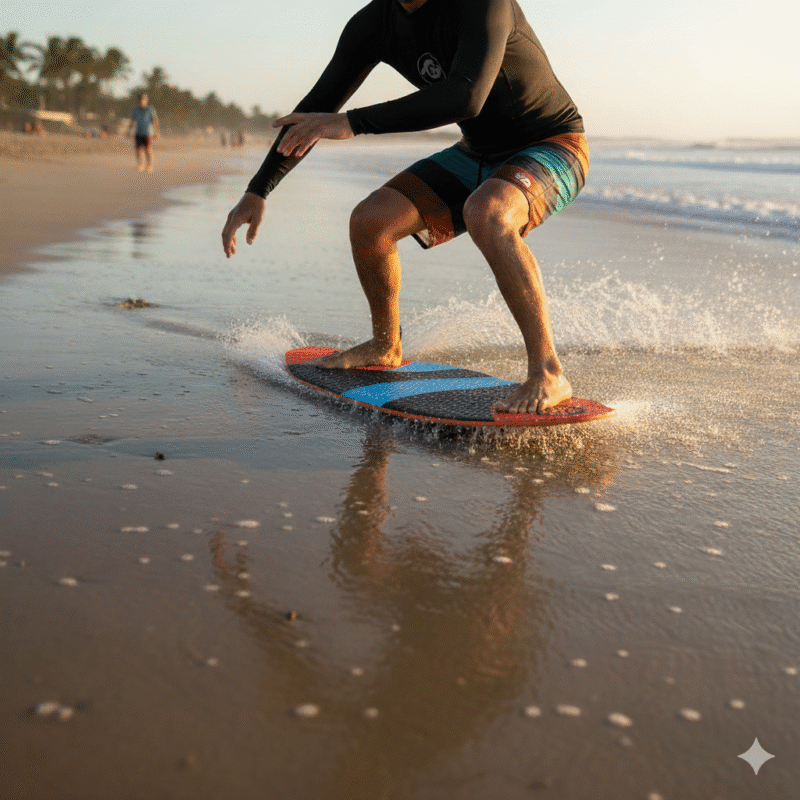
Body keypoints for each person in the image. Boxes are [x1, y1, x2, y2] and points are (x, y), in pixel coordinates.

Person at [222, 0, 588, 414]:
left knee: (487, 212)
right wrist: (260, 188)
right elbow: (317, 108)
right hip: (477, 152)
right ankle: (385, 344)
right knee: (370, 220)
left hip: (553, 144)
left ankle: (548, 371)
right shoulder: (373, 24)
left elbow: (466, 96)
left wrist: (354, 122)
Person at [127, 93, 160, 173]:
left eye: (144, 99)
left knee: (148, 149)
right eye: (141, 99)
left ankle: (149, 165)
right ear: (139, 100)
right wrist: (128, 130)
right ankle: (140, 164)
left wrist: (157, 132)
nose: (142, 101)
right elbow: (133, 121)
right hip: (138, 132)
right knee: (138, 150)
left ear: (146, 100)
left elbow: (155, 121)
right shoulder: (136, 110)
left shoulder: (150, 109)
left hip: (148, 133)